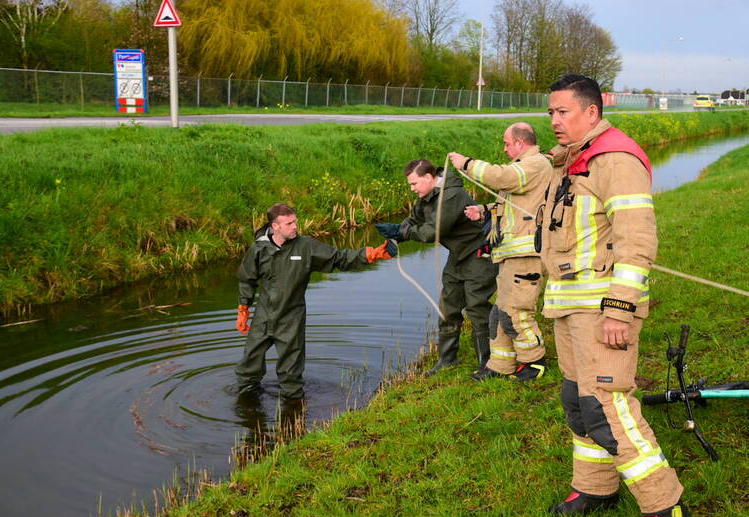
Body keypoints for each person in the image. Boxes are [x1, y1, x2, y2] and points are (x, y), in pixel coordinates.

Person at [541, 74, 691, 517]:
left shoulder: (616, 159)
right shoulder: (570, 162)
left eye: (563, 111)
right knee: (577, 401)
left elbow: (637, 239)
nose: (555, 121)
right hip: (568, 305)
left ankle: (667, 508)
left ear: (591, 111)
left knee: (609, 406)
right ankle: (595, 488)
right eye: (551, 112)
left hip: (602, 308)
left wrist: (621, 308)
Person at [235, 202, 397, 400]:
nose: (295, 226)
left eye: (295, 221)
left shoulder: (306, 247)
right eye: (289, 224)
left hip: (291, 318)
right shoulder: (259, 249)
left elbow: (339, 258)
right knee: (248, 367)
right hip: (263, 317)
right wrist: (243, 308)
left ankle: (293, 415)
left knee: (291, 374)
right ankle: (246, 408)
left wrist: (371, 254)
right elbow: (247, 278)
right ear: (275, 226)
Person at [447, 122, 551, 381]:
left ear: (519, 142)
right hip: (510, 256)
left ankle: (534, 363)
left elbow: (504, 177)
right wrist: (483, 210)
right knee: (500, 312)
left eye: (506, 143)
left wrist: (467, 164)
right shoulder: (526, 168)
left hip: (527, 255)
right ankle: (499, 366)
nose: (504, 149)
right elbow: (509, 203)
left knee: (517, 311)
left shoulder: (534, 164)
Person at [376, 160, 497, 373]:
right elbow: (414, 221)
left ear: (429, 177)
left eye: (414, 183)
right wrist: (396, 236)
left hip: (478, 255)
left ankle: (486, 363)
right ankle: (447, 359)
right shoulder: (426, 196)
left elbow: (433, 231)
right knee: (447, 308)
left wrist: (403, 233)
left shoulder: (452, 196)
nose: (412, 188)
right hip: (458, 256)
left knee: (477, 308)